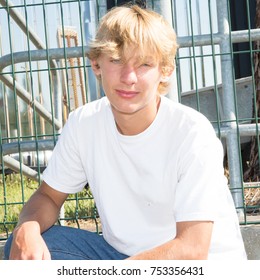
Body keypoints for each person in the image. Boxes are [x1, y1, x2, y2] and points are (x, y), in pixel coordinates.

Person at [4, 4, 247, 260]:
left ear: (164, 71)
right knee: (24, 247)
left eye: (143, 64)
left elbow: (192, 249)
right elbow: (47, 197)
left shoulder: (191, 132)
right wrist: (27, 227)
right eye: (116, 60)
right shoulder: (83, 124)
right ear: (96, 64)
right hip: (123, 258)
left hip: (197, 268)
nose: (128, 77)